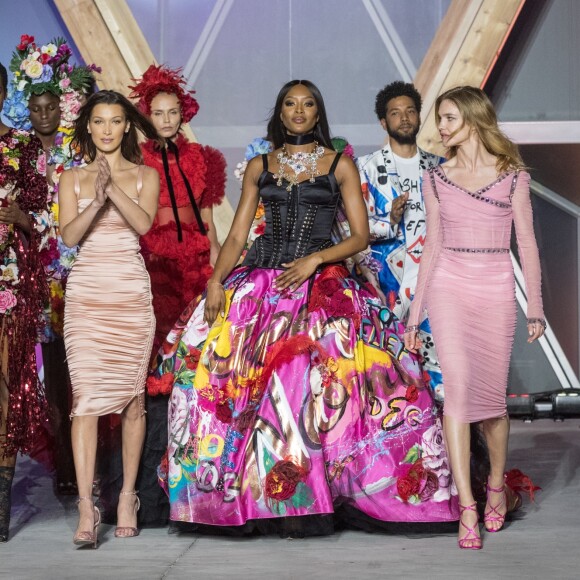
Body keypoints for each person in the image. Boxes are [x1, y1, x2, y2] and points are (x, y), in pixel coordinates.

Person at [148, 80, 458, 537]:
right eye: (291, 104)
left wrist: (316, 258)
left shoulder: (340, 164)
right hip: (258, 284)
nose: (299, 111)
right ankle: (241, 493)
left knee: (326, 382)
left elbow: (357, 235)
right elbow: (236, 237)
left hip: (321, 286)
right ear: (281, 112)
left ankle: (319, 491)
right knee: (216, 376)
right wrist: (215, 283)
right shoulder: (260, 165)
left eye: (308, 104)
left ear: (318, 113)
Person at [404, 86, 545, 550]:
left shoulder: (512, 176)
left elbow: (526, 243)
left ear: (471, 118)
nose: (440, 127)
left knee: (493, 405)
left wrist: (536, 307)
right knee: (458, 396)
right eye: (439, 119)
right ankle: (467, 504)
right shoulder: (437, 177)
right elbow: (432, 249)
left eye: (447, 118)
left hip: (495, 286)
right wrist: (415, 312)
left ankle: (497, 487)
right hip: (448, 284)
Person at [125, 65, 225, 526]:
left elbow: (209, 221)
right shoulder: (135, 157)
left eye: (173, 112)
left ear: (183, 113)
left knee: (194, 366)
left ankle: (195, 484)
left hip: (196, 261)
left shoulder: (202, 157)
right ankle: (147, 489)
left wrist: (218, 271)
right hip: (154, 262)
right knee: (152, 371)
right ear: (146, 116)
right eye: (157, 112)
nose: (166, 119)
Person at [59, 90, 159, 547]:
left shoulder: (145, 175)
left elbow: (142, 225)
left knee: (132, 400)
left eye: (115, 121)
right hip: (87, 295)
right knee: (85, 401)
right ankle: (86, 504)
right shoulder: (71, 178)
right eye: (98, 121)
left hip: (130, 296)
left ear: (126, 127)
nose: (106, 130)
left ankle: (126, 497)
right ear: (88, 127)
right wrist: (95, 200)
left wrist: (113, 189)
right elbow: (69, 236)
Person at [6, 34, 100, 495]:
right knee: (44, 371)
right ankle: (61, 464)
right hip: (32, 276)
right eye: (36, 108)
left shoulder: (76, 153)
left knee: (76, 371)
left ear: (59, 108)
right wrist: (26, 221)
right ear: (28, 109)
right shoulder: (19, 151)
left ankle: (81, 465)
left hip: (73, 270)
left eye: (50, 107)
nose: (44, 114)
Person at [356, 81, 444, 401]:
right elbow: (351, 231)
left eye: (410, 111)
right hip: (387, 289)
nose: (404, 118)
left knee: (441, 374)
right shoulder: (364, 169)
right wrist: (389, 220)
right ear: (384, 122)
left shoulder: (441, 167)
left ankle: (448, 449)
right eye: (396, 113)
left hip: (436, 284)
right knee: (394, 377)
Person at [0, 61, 50, 542]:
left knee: (7, 383)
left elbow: (45, 217)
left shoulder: (20, 146)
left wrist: (21, 216)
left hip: (8, 283)